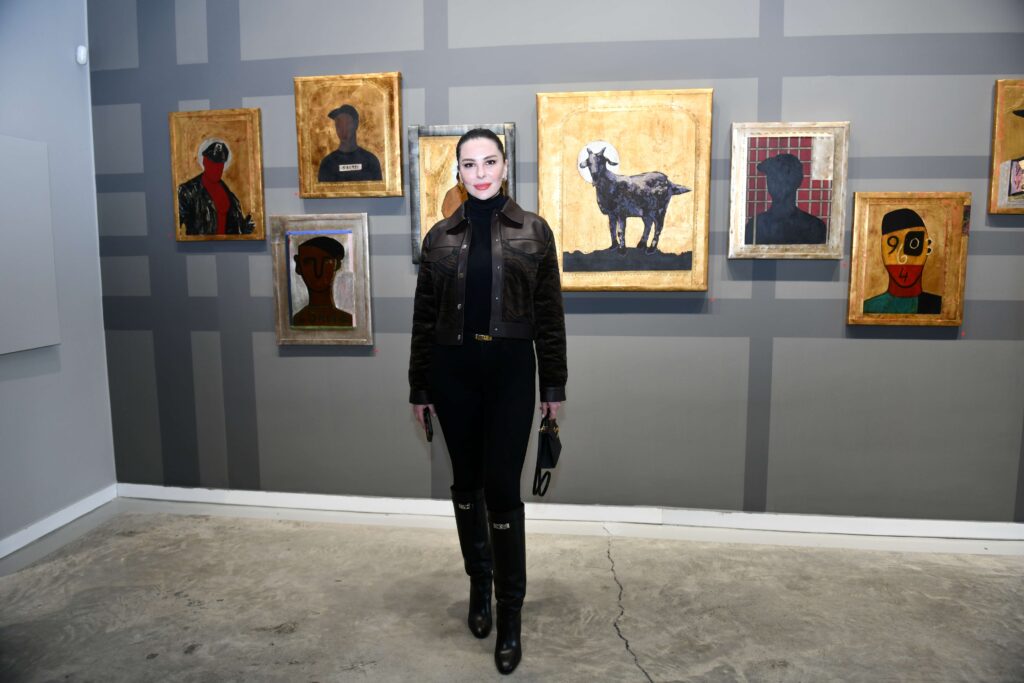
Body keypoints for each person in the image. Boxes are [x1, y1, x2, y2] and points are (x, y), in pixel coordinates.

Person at [408, 129, 567, 675]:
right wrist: (419, 387)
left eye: (489, 161)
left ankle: (510, 613)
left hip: (510, 375)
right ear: (458, 171)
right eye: (469, 164)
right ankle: (480, 584)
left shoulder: (535, 231)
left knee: (502, 489)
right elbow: (423, 318)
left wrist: (553, 387)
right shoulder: (439, 237)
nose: (480, 173)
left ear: (504, 166)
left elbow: (549, 317)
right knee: (465, 483)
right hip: (452, 374)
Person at [863, 208, 942, 314]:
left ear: (927, 248)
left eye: (913, 245)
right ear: (882, 252)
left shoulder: (939, 306)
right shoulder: (869, 308)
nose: (902, 258)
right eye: (893, 247)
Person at [744, 152, 827, 245]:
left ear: (797, 180)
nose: (776, 182)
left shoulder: (814, 227)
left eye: (782, 175)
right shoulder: (754, 226)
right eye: (772, 176)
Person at [178, 140, 255, 235]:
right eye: (212, 164)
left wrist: (245, 228)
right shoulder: (187, 191)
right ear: (204, 162)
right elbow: (174, 226)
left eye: (220, 165)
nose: (216, 168)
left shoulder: (230, 196)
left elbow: (236, 228)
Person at [291, 236, 353, 327]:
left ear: (338, 264)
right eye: (309, 262)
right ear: (298, 266)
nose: (318, 272)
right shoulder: (296, 320)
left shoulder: (348, 320)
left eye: (327, 261)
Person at [317, 104, 382, 182]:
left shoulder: (370, 161)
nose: (343, 128)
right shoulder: (327, 164)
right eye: (339, 124)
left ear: (356, 124)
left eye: (347, 123)